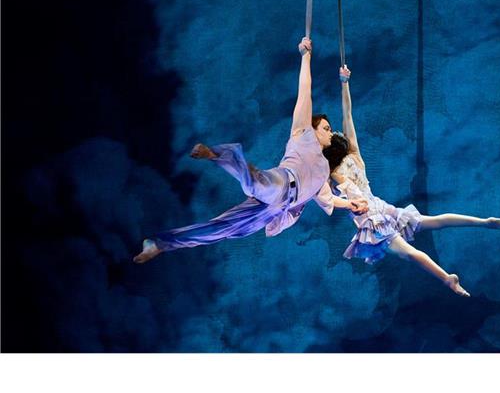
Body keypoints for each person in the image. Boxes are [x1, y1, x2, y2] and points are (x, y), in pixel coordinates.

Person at [133, 38, 368, 264]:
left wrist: (352, 204)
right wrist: (306, 57)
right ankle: (219, 155)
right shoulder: (302, 132)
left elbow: (329, 199)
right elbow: (304, 91)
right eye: (326, 128)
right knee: (257, 182)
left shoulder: (323, 171)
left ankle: (160, 244)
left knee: (223, 229)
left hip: (276, 209)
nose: (330, 132)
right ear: (314, 128)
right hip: (283, 182)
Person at [323, 65, 500, 297]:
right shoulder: (355, 156)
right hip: (381, 208)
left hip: (373, 220)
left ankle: (448, 279)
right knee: (433, 222)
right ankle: (484, 222)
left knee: (410, 253)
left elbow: (343, 123)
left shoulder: (331, 171)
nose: (333, 132)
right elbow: (348, 115)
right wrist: (344, 83)